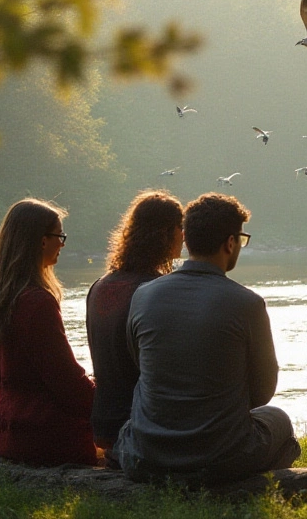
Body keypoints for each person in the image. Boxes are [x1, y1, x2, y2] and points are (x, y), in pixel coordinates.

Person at [115, 193, 300, 481]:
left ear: (186, 239)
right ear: (230, 242)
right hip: (220, 456)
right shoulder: (247, 303)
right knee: (279, 420)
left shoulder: (143, 295)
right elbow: (264, 391)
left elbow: (140, 364)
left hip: (146, 454)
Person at [0, 198, 96, 467]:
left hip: (5, 429)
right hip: (43, 434)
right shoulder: (36, 302)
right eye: (58, 236)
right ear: (41, 240)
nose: (62, 244)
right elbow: (67, 383)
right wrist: (108, 404)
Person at [86, 190, 184, 458]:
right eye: (180, 228)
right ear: (166, 233)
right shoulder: (155, 290)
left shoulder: (99, 286)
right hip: (138, 425)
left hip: (103, 425)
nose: (184, 236)